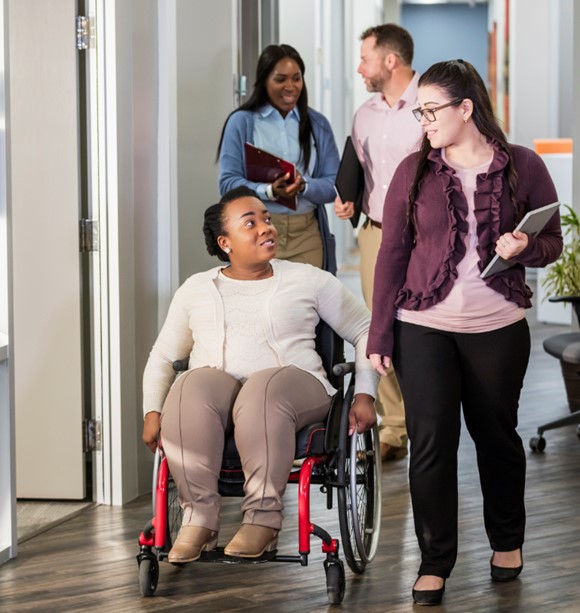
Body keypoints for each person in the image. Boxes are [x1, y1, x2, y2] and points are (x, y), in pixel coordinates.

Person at [367, 59, 563, 605]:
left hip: (497, 327)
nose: (423, 120)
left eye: (431, 110)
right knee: (432, 444)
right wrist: (380, 333)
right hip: (422, 326)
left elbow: (553, 243)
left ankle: (507, 541)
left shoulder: (523, 166)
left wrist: (526, 247)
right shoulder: (414, 171)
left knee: (496, 438)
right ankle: (435, 561)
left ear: (465, 108)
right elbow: (391, 255)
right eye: (419, 111)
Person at [142, 186, 378, 563]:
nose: (266, 228)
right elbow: (164, 355)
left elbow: (366, 328)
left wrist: (365, 393)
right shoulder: (196, 289)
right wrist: (152, 410)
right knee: (189, 385)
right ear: (225, 242)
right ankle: (198, 518)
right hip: (218, 395)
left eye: (267, 219)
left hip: (295, 386)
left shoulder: (309, 279)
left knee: (262, 389)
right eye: (250, 223)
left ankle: (263, 519)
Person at [334, 24, 422, 461]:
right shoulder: (364, 113)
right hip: (375, 233)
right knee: (379, 326)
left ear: (391, 61)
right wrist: (348, 199)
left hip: (425, 235)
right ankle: (395, 429)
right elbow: (361, 168)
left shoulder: (432, 101)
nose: (359, 67)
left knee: (424, 326)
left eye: (365, 58)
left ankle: (431, 422)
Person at [218, 44, 340, 274]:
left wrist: (304, 185)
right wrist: (269, 191)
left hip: (307, 233)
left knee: (307, 306)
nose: (290, 87)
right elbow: (227, 183)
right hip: (257, 232)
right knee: (258, 305)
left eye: (296, 78)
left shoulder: (318, 124)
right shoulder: (241, 122)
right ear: (264, 81)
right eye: (280, 79)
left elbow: (334, 184)